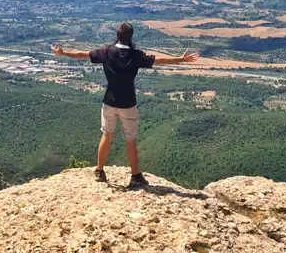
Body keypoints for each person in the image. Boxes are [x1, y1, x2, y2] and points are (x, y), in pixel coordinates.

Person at [52, 21, 199, 188]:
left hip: (109, 102)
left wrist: (63, 53)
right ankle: (135, 176)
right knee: (130, 140)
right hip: (128, 104)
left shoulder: (106, 52)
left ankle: (100, 171)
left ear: (117, 35)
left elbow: (82, 55)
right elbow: (159, 60)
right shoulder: (136, 56)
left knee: (107, 135)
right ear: (131, 37)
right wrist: (182, 59)